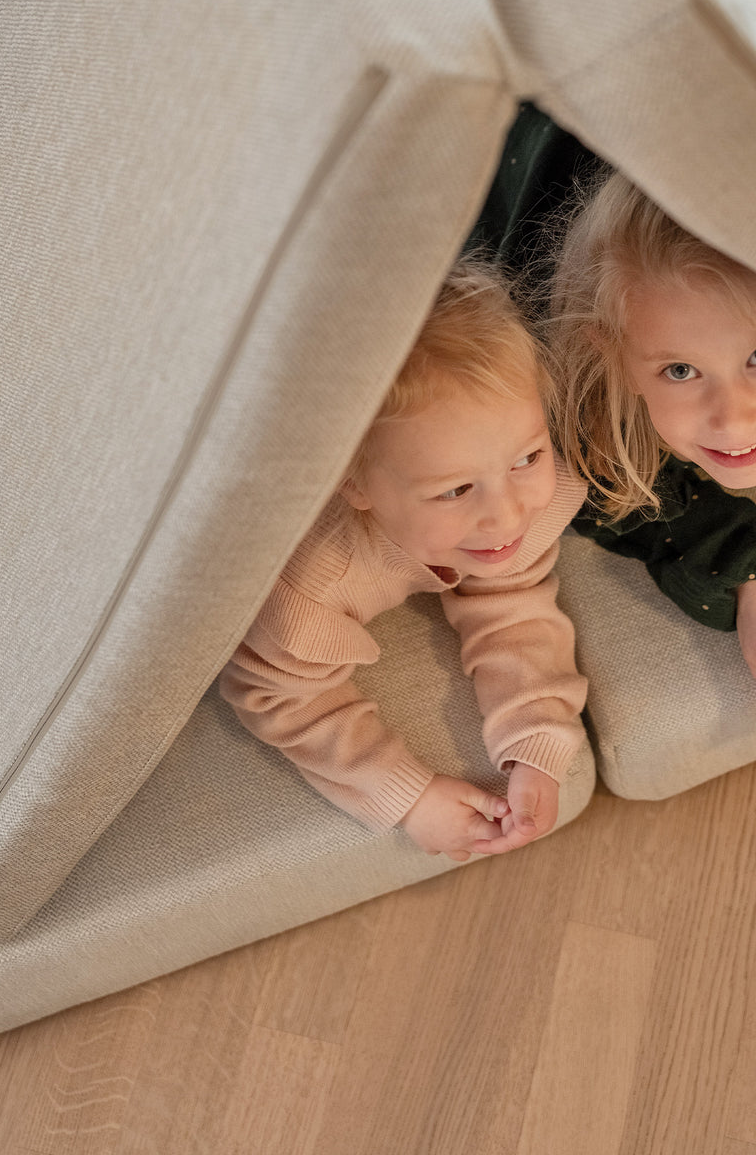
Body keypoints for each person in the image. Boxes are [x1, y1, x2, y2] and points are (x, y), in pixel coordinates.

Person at [474, 104, 756, 764]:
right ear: (616, 358)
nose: (732, 418)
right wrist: (749, 581)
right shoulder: (577, 388)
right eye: (681, 371)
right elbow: (617, 492)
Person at [221, 258, 588, 862]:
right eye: (455, 490)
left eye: (527, 457)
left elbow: (513, 601)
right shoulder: (310, 585)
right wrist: (408, 796)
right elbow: (278, 694)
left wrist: (536, 743)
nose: (506, 517)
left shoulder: (534, 504)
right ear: (352, 485)